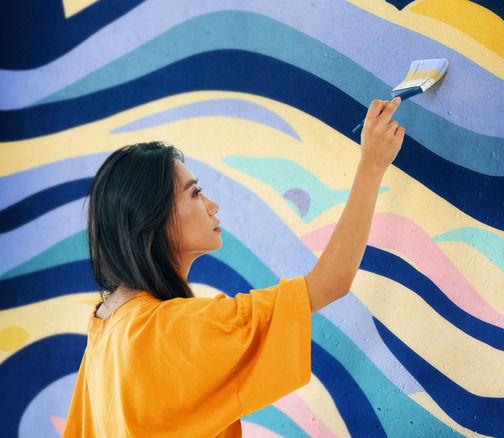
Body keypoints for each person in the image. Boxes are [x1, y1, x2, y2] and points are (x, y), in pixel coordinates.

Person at [63, 98, 405, 437]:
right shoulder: (180, 330)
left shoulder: (103, 327)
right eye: (195, 194)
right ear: (151, 219)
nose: (212, 205)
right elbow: (330, 282)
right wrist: (372, 164)